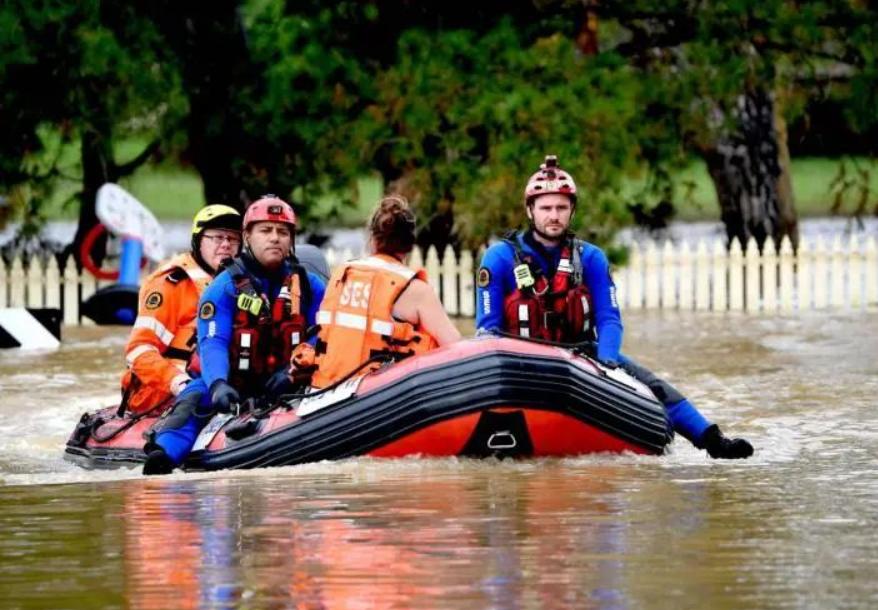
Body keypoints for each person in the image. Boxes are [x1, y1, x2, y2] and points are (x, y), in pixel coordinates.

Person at [475, 155, 753, 459]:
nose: (553, 216)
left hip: (581, 353)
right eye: (546, 208)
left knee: (654, 386)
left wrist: (605, 364)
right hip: (521, 356)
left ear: (572, 211)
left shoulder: (591, 258)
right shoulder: (499, 258)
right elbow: (488, 329)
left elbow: (609, 319)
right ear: (530, 210)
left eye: (561, 208)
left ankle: (712, 439)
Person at [143, 196, 326, 474]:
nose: (275, 238)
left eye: (283, 232)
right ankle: (163, 455)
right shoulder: (224, 287)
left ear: (291, 240)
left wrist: (292, 372)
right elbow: (213, 341)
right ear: (248, 237)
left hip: (289, 380)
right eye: (266, 230)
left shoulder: (310, 286)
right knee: (196, 395)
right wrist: (218, 384)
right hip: (234, 383)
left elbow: (323, 335)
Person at [307, 196, 460, 389]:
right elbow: (455, 347)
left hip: (323, 389)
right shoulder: (415, 290)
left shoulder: (342, 273)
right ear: (410, 244)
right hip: (377, 396)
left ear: (372, 238)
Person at [119, 204, 242, 416]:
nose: (225, 245)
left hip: (220, 386)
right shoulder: (170, 284)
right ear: (198, 241)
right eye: (217, 237)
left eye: (232, 239)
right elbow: (138, 350)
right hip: (166, 394)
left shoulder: (242, 283)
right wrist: (180, 384)